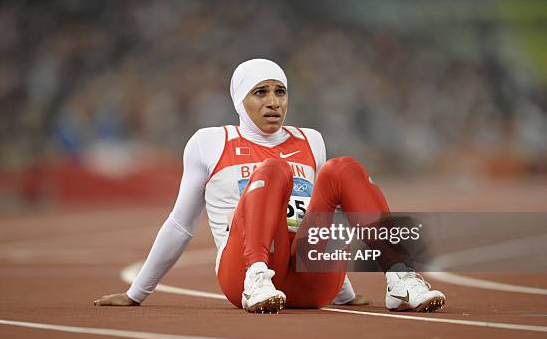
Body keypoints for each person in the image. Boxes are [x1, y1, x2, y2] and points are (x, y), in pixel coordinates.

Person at [94, 58, 445, 313]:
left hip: (310, 280)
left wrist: (344, 294)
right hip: (243, 277)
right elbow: (180, 224)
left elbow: (321, 218)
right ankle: (258, 275)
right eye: (260, 92)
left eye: (280, 91)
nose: (273, 102)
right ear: (239, 100)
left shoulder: (311, 140)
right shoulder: (210, 142)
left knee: (344, 168)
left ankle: (400, 278)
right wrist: (137, 293)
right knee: (273, 169)